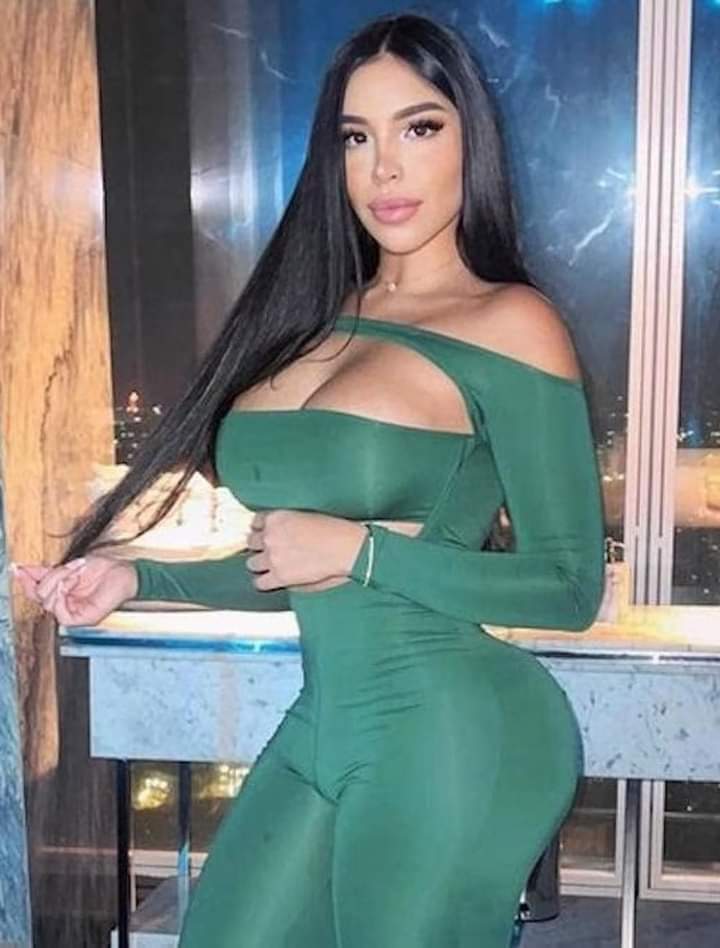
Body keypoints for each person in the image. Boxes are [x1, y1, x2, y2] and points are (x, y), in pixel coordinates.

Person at [13, 12, 605, 947]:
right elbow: (291, 558)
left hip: (457, 731)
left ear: (472, 140)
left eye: (419, 128)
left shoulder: (511, 322)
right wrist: (137, 576)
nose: (384, 169)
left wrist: (360, 552)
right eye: (356, 138)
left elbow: (569, 587)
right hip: (327, 721)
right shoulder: (318, 316)